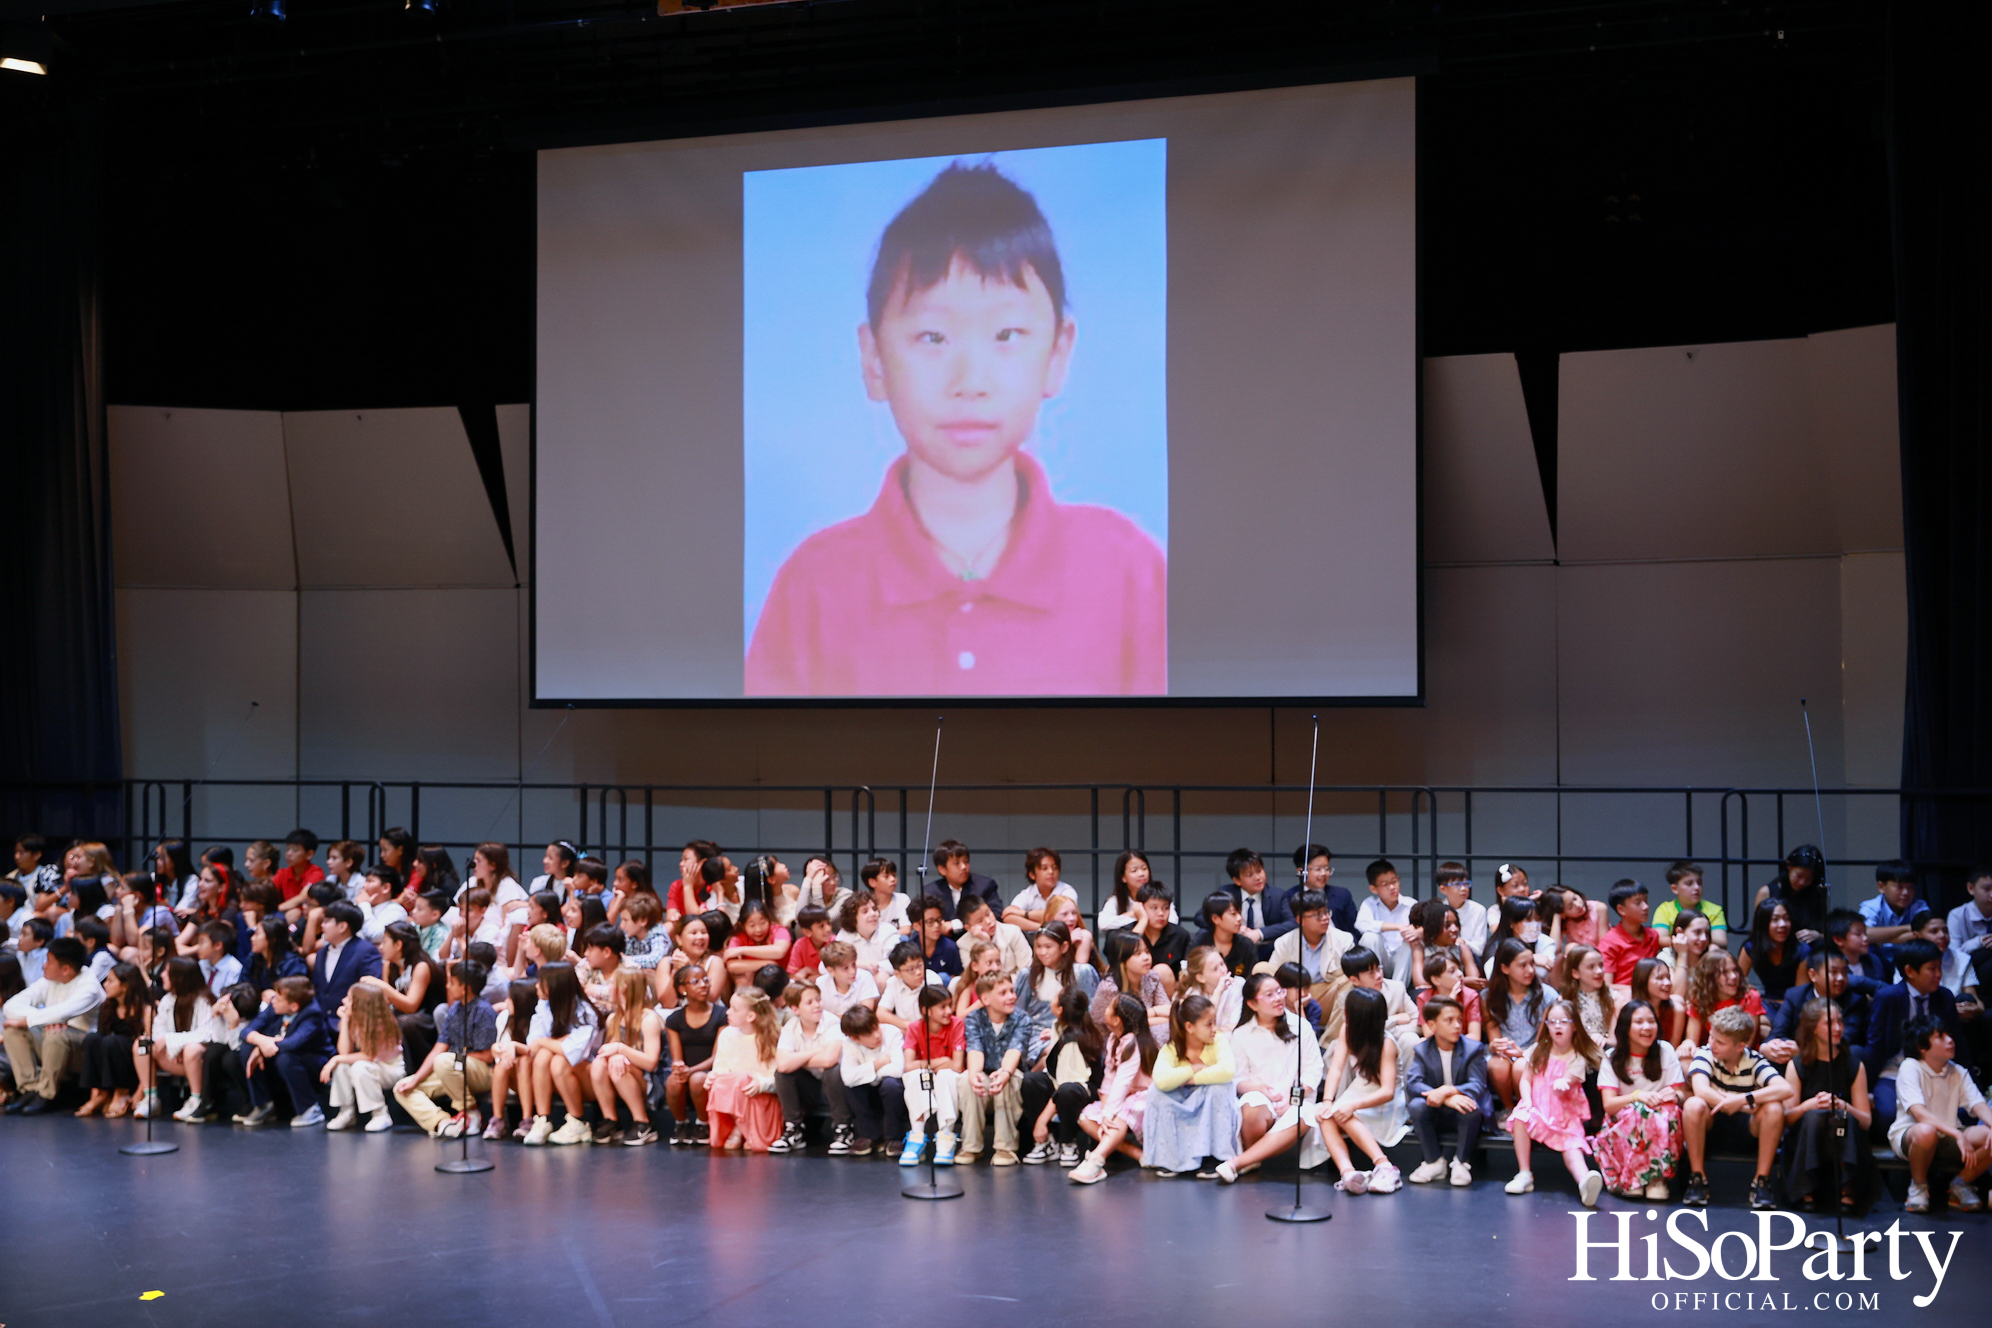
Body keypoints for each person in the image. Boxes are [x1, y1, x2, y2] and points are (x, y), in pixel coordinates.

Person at [745, 160, 1166, 697]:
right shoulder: (815, 584)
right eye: (932, 338)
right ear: (873, 359)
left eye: (1008, 333)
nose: (970, 382)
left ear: (1058, 353)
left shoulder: (1128, 569)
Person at [1210, 973, 1324, 1185]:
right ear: (1253, 1004)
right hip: (1262, 1098)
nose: (1279, 998)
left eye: (1280, 991)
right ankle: (1253, 1161)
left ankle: (1238, 1163)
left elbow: (1313, 1071)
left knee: (1305, 1114)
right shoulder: (1242, 1034)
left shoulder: (1301, 1027)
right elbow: (1237, 1079)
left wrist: (1293, 1100)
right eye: (1269, 995)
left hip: (1297, 1101)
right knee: (1252, 1104)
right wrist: (1259, 1088)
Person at [1680, 1006, 1793, 1210]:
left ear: (1740, 1046)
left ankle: (1761, 1182)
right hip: (1711, 1126)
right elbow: (1701, 1090)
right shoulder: (1706, 1054)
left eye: (1720, 1042)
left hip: (1747, 1130)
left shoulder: (1754, 1060)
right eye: (1712, 1037)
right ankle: (1697, 1178)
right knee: (1693, 1104)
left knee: (1774, 1108)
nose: (1711, 1044)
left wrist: (1742, 1100)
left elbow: (1786, 1089)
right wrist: (1740, 1104)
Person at [1862, 938, 1966, 1137]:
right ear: (1910, 971)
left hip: (1937, 1072)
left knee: (1963, 1114)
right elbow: (1874, 1045)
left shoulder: (1944, 997)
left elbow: (1958, 1042)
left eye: (1939, 968)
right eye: (1932, 969)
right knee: (1885, 1115)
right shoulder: (1888, 997)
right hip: (1894, 1072)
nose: (1938, 975)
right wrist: (1865, 1088)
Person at [1503, 999, 1603, 1205]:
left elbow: (1570, 1078)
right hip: (1538, 1105)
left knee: (1571, 1147)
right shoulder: (1538, 1050)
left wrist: (1564, 1082)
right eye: (1552, 1021)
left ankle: (1584, 1181)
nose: (1557, 1026)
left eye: (1563, 1021)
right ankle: (1524, 1174)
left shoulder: (1577, 1057)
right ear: (1546, 1025)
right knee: (1521, 1118)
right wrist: (1528, 1101)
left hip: (1564, 1113)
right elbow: (1526, 1080)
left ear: (1574, 1026)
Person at [1779, 996, 1874, 1211]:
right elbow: (1788, 1118)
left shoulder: (1854, 1064)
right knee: (1814, 1117)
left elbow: (1866, 1121)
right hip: (1808, 1134)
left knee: (1842, 1118)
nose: (1838, 1028)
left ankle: (1848, 1189)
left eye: (1840, 1021)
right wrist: (1810, 1105)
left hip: (1843, 1135)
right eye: (1829, 1023)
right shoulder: (1798, 1065)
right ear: (1813, 1028)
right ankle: (1806, 1189)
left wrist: (1843, 1105)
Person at [1890, 1016, 1991, 1213]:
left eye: (1949, 1035)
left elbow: (1979, 1104)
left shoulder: (1957, 1071)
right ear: (1922, 1047)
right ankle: (1918, 1187)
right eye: (1940, 1037)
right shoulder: (1910, 1067)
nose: (1949, 1040)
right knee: (1926, 1131)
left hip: (1949, 1134)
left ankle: (1960, 1184)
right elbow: (1919, 1113)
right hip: (1911, 1135)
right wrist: (1958, 1135)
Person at [394, 961, 498, 1139]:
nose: (447, 985)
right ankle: (442, 1122)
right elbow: (439, 1048)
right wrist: (416, 1078)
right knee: (402, 1088)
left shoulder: (484, 1011)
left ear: (464, 988)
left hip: (482, 1072)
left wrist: (453, 1059)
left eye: (451, 982)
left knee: (444, 1061)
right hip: (452, 1069)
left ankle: (471, 1112)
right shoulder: (455, 1010)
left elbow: (487, 1056)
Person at [1593, 1000, 1686, 1200]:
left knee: (1667, 1112)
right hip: (1624, 1122)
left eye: (1651, 1021)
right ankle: (1631, 1178)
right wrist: (1637, 1096)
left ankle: (1656, 1179)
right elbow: (1609, 1105)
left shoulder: (1666, 1050)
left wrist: (1674, 1096)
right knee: (1638, 1111)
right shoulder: (1612, 1057)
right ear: (1626, 1027)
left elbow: (1681, 1094)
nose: (1647, 1027)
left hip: (1660, 1117)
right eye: (1639, 1022)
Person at [1, 936, 104, 1116]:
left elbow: (61, 1014)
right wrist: (40, 1019)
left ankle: (46, 1093)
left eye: (48, 961)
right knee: (12, 1030)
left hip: (83, 1051)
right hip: (51, 1040)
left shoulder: (90, 987)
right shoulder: (49, 980)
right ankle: (31, 1089)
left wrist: (29, 1020)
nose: (44, 966)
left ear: (65, 969)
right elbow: (11, 1006)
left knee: (57, 1033)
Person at [1142, 991, 1238, 1177]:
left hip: (1205, 1096)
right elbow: (1160, 1079)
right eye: (1208, 1024)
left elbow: (1227, 1070)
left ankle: (1214, 1156)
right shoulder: (1171, 1048)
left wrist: (1189, 1080)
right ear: (1189, 1027)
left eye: (1214, 1022)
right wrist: (1192, 1070)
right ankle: (1170, 1159)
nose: (1214, 1028)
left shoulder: (1218, 1041)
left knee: (1220, 1089)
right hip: (1181, 1098)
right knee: (1156, 1092)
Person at [1398, 995, 1490, 1187]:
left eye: (1459, 1020)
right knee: (1416, 1105)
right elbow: (1414, 1083)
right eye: (1449, 1020)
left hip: (1463, 1111)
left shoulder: (1473, 1049)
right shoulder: (1423, 1049)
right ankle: (1434, 1162)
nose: (1457, 1025)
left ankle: (1461, 1162)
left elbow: (1477, 1085)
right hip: (1439, 1108)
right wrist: (1445, 1097)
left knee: (1469, 1105)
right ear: (1432, 1025)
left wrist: (1448, 1090)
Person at [1069, 993, 1161, 1183]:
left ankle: (1096, 1160)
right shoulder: (1113, 1039)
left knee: (1119, 1116)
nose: (1105, 1010)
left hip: (1144, 1096)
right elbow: (1110, 1079)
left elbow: (1122, 1082)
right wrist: (1104, 1109)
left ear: (1117, 1020)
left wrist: (1109, 1114)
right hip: (1124, 1096)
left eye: (1110, 1007)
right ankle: (1139, 1155)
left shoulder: (1133, 1044)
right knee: (1085, 1117)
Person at [1019, 984, 1103, 1165]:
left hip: (1083, 1086)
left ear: (1060, 1009)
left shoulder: (1072, 1040)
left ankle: (1068, 1142)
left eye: (1056, 997)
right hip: (1064, 1080)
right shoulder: (1059, 1026)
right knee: (1031, 1081)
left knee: (1067, 1092)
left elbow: (1064, 1085)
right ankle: (1047, 1142)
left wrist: (1041, 1120)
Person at [519, 962, 600, 1146]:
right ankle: (543, 1119)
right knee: (543, 1056)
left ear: (556, 985)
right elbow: (533, 1045)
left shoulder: (584, 1012)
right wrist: (560, 1040)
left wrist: (545, 1042)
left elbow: (575, 1052)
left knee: (558, 1062)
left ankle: (578, 1121)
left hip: (591, 1077)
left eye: (542, 982)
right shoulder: (544, 1005)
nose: (537, 985)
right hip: (560, 1074)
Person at [956, 973, 1032, 1165]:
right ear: (985, 999)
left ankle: (1006, 1148)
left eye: (1012, 991)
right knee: (968, 1080)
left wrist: (1005, 1072)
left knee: (1009, 1079)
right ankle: (971, 1146)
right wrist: (974, 1074)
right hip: (985, 1072)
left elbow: (1015, 1050)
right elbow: (975, 1048)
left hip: (1010, 1073)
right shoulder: (974, 1018)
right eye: (1003, 993)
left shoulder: (1022, 1019)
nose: (1011, 996)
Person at [237, 975, 332, 1127]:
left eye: (279, 999)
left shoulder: (312, 1014)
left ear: (294, 1006)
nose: (273, 1000)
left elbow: (294, 1043)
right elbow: (247, 1031)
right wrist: (261, 1042)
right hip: (284, 1053)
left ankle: (310, 1109)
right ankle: (264, 1105)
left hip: (314, 1061)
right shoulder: (275, 1006)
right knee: (247, 1049)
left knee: (285, 1058)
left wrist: (262, 1049)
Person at [587, 967, 665, 1145]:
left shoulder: (649, 1019)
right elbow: (609, 1052)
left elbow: (651, 1063)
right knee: (600, 1063)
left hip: (651, 1080)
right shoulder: (613, 1018)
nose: (608, 989)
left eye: (612, 984)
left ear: (624, 988)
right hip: (625, 1075)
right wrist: (616, 1053)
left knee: (617, 1068)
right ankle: (611, 1120)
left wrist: (621, 1050)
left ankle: (644, 1122)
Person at [131, 956, 212, 1121]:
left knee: (192, 1049)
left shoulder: (203, 1000)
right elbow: (158, 1030)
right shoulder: (168, 999)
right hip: (172, 1058)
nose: (162, 975)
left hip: (199, 1060)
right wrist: (169, 1043)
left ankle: (196, 1100)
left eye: (167, 972)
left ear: (180, 977)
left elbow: (207, 1033)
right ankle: (151, 1097)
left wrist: (174, 1042)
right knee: (142, 1044)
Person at [771, 979, 847, 1154]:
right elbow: (782, 1064)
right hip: (812, 1088)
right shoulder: (790, 1028)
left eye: (818, 999)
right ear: (795, 1009)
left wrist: (796, 1058)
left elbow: (829, 1059)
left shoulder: (832, 1022)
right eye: (809, 1002)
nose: (817, 1005)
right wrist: (817, 1051)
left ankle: (843, 1128)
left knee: (833, 1070)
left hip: (839, 1088)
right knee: (783, 1074)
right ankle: (794, 1130)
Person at [706, 987, 783, 1151]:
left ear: (751, 1016)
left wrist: (761, 1084)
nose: (728, 1012)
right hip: (734, 1095)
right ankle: (737, 1127)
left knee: (743, 1079)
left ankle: (747, 1129)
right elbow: (721, 1067)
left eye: (734, 1009)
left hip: (762, 1097)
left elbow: (781, 1079)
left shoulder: (775, 1037)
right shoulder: (727, 1034)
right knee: (722, 1080)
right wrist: (714, 1076)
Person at [321, 984, 405, 1133]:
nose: (344, 1000)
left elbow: (369, 1055)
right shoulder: (356, 1019)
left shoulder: (382, 1024)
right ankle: (346, 1111)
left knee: (359, 1066)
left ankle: (380, 1113)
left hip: (390, 1068)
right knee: (343, 1066)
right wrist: (345, 1019)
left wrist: (335, 1059)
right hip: (373, 1065)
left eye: (349, 998)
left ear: (361, 1004)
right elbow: (344, 1051)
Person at [898, 985, 966, 1165]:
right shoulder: (914, 1028)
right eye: (942, 1007)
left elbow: (958, 1065)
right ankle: (917, 1136)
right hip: (926, 1077)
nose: (949, 1011)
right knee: (916, 1075)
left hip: (947, 1077)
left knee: (945, 1075)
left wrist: (934, 1064)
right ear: (925, 1011)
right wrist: (939, 1061)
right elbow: (908, 1066)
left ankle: (946, 1136)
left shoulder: (957, 1024)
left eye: (950, 1005)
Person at [75, 961, 151, 1118]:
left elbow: (148, 1044)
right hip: (112, 1059)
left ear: (125, 986)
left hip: (134, 1061)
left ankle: (121, 1093)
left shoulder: (145, 1009)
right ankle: (100, 1094)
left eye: (110, 981)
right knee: (93, 1039)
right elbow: (100, 1041)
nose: (105, 984)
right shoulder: (108, 1007)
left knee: (112, 1041)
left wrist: (141, 1091)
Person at [1484, 937, 1549, 1112]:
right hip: (1507, 1051)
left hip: (1534, 1050)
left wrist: (1525, 1053)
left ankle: (1526, 1110)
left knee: (1521, 1067)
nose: (1530, 970)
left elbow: (1544, 1038)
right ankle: (1508, 1109)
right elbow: (1492, 1027)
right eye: (1522, 965)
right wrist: (1496, 1044)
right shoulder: (1489, 996)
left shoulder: (1546, 995)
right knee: (1497, 1065)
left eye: (1532, 964)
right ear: (1505, 968)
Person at [1266, 888, 1354, 1015]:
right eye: (1318, 915)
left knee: (1351, 981)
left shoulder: (1344, 940)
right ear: (1300, 920)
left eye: (1326, 912)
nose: (1325, 918)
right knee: (1262, 969)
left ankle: (1331, 1035)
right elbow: (1272, 973)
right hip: (1291, 997)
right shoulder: (1284, 942)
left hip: (1327, 994)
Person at [835, 1004, 906, 1156]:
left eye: (876, 1027)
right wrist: (878, 1064)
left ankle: (893, 1138)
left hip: (891, 1092)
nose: (877, 1035)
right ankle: (869, 1135)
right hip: (869, 1093)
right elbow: (848, 1078)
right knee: (853, 1087)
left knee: (891, 1084)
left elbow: (897, 1069)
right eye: (868, 1033)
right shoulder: (849, 1044)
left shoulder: (892, 1032)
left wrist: (866, 1073)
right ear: (855, 1038)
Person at [663, 965, 720, 1145]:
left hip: (711, 1071)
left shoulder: (721, 1015)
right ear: (682, 989)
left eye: (706, 980)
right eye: (696, 982)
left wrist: (691, 1071)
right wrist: (679, 1067)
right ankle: (681, 1124)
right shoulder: (674, 1020)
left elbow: (717, 1057)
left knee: (697, 1079)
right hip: (689, 1070)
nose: (703, 985)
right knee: (673, 1081)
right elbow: (676, 1056)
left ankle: (703, 1124)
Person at [311, 900, 382, 1033]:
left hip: (349, 1025)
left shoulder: (365, 951)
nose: (322, 925)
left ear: (342, 926)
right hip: (320, 1024)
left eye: (326, 921)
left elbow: (370, 991)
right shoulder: (321, 953)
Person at [1684, 950, 1768, 1048]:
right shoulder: (1699, 998)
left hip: (1740, 1056)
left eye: (1735, 970)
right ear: (1710, 977)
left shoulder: (1750, 997)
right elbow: (1692, 1040)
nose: (1733, 976)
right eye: (1724, 972)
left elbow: (1744, 1046)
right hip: (1710, 1052)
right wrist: (1688, 1046)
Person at [1220, 848, 1294, 958]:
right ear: (1237, 880)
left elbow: (1292, 923)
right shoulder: (1227, 893)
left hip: (1267, 948)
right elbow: (1202, 917)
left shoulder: (1277, 895)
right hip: (1236, 947)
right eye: (1250, 875)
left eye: (1259, 871)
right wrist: (1233, 927)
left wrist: (1259, 933)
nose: (1258, 878)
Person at [1354, 859, 1417, 986]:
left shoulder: (1411, 904)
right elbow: (1361, 924)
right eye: (1385, 884)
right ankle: (1373, 985)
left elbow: (1424, 928)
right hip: (1380, 957)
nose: (1393, 887)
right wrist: (1397, 927)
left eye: (1394, 881)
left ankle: (1398, 991)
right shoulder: (1369, 904)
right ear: (1373, 888)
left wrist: (1416, 932)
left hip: (1403, 959)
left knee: (1410, 941)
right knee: (1369, 937)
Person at [1755, 844, 1829, 948]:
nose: (1802, 882)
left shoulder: (1816, 894)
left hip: (1809, 951)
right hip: (1775, 948)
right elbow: (1759, 931)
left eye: (1808, 879)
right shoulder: (1767, 892)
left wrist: (1818, 935)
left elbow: (1825, 931)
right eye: (1799, 876)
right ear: (1789, 866)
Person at [1093, 929, 1170, 1029]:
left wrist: (1144, 1018)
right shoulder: (1109, 988)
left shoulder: (1152, 977)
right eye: (1138, 954)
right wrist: (1153, 1012)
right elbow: (1121, 1025)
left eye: (1147, 952)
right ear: (1123, 960)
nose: (1146, 957)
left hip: (1147, 1033)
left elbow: (1168, 1011)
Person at [1737, 900, 1801, 1014]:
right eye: (1775, 919)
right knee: (1757, 1023)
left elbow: (1800, 995)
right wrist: (1749, 989)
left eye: (1786, 918)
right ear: (1763, 923)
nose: (1782, 924)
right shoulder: (1751, 947)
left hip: (1794, 1008)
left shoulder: (1801, 950)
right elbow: (1738, 981)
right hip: (1766, 1004)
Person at [1597, 880, 1660, 989]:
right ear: (1621, 909)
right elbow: (1606, 986)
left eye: (1646, 901)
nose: (1645, 907)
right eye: (1638, 903)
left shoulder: (1653, 935)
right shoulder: (1609, 942)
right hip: (1623, 997)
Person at [1288, 843, 1361, 938]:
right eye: (1318, 869)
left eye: (1326, 869)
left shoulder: (1342, 895)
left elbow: (1353, 928)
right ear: (1301, 871)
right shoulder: (1289, 896)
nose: (1323, 874)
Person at [1651, 861, 1728, 943]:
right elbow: (1660, 940)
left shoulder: (1715, 910)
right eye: (1689, 884)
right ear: (1674, 889)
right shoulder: (1665, 909)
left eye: (1699, 883)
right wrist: (1691, 941)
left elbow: (1721, 941)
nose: (1697, 887)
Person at [957, 893, 1032, 978]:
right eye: (980, 921)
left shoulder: (1013, 932)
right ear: (969, 928)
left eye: (988, 914)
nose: (989, 921)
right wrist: (986, 943)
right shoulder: (964, 944)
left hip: (1014, 985)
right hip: (984, 988)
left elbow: (1026, 968)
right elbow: (973, 978)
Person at [1416, 951, 1483, 1043]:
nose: (1460, 974)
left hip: (1464, 1048)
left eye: (1459, 968)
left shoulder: (1471, 996)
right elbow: (1429, 1035)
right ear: (1436, 980)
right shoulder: (1424, 998)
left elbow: (1475, 1036)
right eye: (1452, 971)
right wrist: (1449, 1002)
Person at [1559, 944, 1616, 1050]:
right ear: (1575, 973)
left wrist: (1602, 1039)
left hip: (1604, 1052)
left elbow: (1615, 1040)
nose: (1599, 971)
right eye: (1591, 967)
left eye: (1601, 965)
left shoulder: (1615, 999)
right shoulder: (1565, 1000)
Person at [1004, 846, 1078, 928]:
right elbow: (1008, 917)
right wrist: (1043, 929)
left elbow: (1059, 915)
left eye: (1055, 868)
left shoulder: (1066, 891)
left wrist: (1024, 914)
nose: (1051, 872)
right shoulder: (1028, 893)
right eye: (1044, 868)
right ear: (1032, 874)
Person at [1193, 893, 1258, 980]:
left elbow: (1251, 981)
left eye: (1239, 913)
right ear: (1216, 919)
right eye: (1233, 914)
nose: (1239, 918)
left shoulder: (1247, 945)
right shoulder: (1199, 943)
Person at [1099, 851, 1168, 932]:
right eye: (1134, 870)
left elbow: (1173, 921)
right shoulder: (1115, 900)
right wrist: (1135, 914)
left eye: (1144, 869)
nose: (1141, 874)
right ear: (1123, 877)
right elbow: (1103, 923)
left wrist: (1141, 916)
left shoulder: (1160, 896)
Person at [1860, 858, 1922, 947]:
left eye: (1910, 887)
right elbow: (1864, 934)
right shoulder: (1872, 907)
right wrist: (1909, 927)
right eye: (1899, 887)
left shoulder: (1918, 906)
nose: (1906, 893)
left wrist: (1879, 939)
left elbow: (1926, 933)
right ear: (1881, 887)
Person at [1632, 956, 1688, 1048]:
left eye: (1668, 977)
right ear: (1643, 981)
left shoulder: (1677, 1010)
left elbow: (1672, 1049)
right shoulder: (1629, 1009)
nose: (1667, 983)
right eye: (1659, 978)